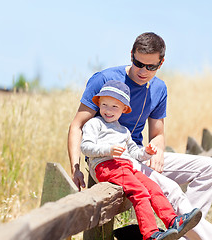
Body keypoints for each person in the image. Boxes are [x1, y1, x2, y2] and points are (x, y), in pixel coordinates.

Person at [67, 32, 212, 240]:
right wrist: (76, 167)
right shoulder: (105, 79)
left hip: (138, 153)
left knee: (208, 168)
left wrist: (157, 150)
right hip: (110, 158)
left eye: (151, 66)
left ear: (161, 63)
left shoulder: (159, 89)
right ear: (131, 55)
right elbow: (76, 125)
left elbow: (158, 134)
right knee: (171, 188)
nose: (143, 71)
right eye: (138, 63)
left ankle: (185, 233)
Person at [81, 80, 201, 240]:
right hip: (106, 166)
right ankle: (150, 234)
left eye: (114, 107)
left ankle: (172, 220)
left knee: (153, 187)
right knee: (140, 192)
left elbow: (134, 153)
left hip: (126, 166)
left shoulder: (123, 130)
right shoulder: (95, 124)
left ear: (124, 109)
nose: (108, 110)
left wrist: (147, 152)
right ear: (99, 104)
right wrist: (108, 150)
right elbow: (86, 147)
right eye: (104, 105)